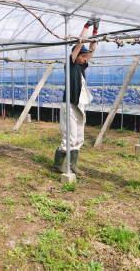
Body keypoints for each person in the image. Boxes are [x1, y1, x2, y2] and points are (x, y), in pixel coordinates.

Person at [53, 18, 99, 174]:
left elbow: (92, 50)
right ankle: (59, 164)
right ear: (77, 54)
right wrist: (86, 27)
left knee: (79, 137)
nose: (85, 57)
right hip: (69, 106)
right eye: (82, 54)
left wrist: (95, 32)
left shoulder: (81, 67)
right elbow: (79, 44)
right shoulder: (71, 64)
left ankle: (73, 164)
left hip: (79, 106)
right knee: (69, 138)